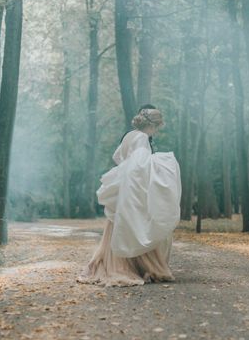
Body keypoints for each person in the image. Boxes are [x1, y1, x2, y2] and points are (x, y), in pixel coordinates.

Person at [77, 106, 181, 286]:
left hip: (124, 182)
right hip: (133, 185)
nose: (156, 131)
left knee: (119, 222)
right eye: (157, 127)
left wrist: (125, 169)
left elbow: (117, 156)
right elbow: (140, 164)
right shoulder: (142, 138)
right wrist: (159, 163)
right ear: (153, 126)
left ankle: (120, 263)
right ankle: (138, 266)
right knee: (137, 223)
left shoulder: (129, 135)